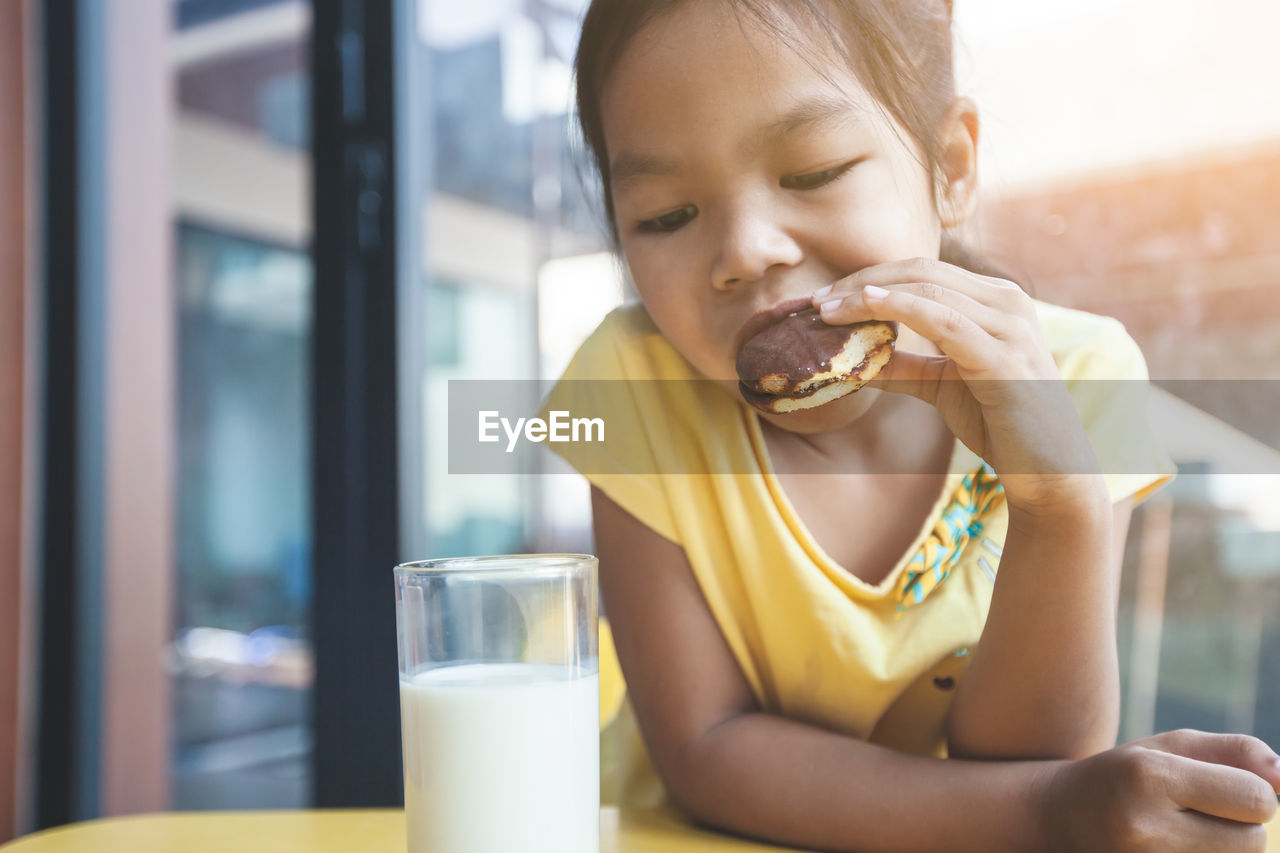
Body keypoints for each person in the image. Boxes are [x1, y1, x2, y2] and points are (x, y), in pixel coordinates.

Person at [539, 0, 1280, 849]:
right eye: (666, 214)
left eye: (813, 171)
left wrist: (1056, 505)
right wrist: (1048, 811)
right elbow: (705, 748)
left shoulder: (1075, 379)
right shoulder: (634, 385)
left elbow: (1029, 758)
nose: (745, 250)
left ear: (949, 165)